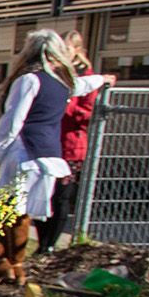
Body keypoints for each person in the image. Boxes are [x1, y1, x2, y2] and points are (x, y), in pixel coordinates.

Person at [0, 29, 115, 286]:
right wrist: (102, 79)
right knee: (22, 213)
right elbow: (81, 85)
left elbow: (12, 121)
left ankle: (0, 263)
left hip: (21, 152)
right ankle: (16, 266)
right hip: (47, 155)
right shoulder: (62, 82)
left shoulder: (29, 79)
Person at [34, 29, 99, 254]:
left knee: (62, 197)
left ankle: (51, 244)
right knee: (44, 195)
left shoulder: (85, 76)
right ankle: (41, 243)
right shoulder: (55, 74)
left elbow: (88, 113)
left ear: (77, 51)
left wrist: (65, 104)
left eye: (66, 49)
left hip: (71, 147)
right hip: (49, 142)